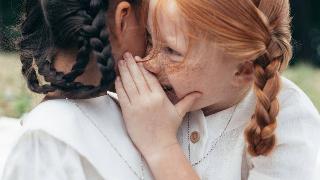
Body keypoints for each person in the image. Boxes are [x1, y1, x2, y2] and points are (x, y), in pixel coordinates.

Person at [115, 0, 320, 179]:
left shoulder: (290, 123)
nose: (148, 62)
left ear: (242, 71)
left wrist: (161, 146)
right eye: (149, 39)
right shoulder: (145, 103)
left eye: (172, 51)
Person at [2, 0, 153, 179]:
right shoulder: (46, 141)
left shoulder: (135, 111)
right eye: (148, 22)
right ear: (122, 20)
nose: (153, 39)